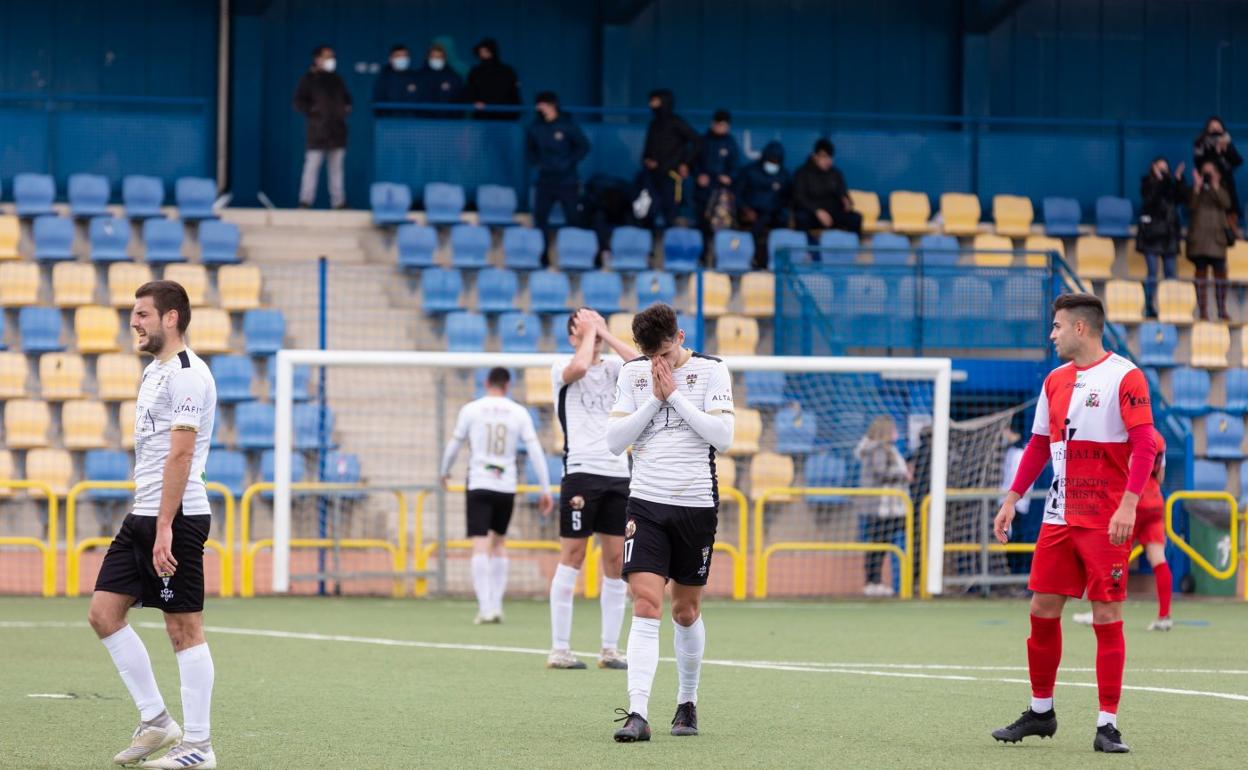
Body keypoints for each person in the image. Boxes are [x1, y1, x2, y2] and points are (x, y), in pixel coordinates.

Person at [991, 292, 1156, 754]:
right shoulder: (1054, 380)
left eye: (1057, 326)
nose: (1052, 335)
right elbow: (1040, 445)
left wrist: (1128, 505)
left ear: (1080, 328)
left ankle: (1107, 726)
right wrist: (1012, 499)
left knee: (1107, 614)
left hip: (1106, 519)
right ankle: (1040, 712)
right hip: (1059, 514)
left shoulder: (1126, 375)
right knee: (1042, 609)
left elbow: (1145, 444)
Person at [87, 280, 219, 769]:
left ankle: (200, 748)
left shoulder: (189, 375)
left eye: (142, 313)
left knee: (183, 628)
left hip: (177, 517)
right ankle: (157, 721)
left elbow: (181, 455)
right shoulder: (153, 373)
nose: (134, 322)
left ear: (171, 318)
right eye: (133, 314)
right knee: (103, 613)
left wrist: (165, 525)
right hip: (144, 513)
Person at [606, 303, 735, 742]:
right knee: (645, 603)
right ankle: (638, 713)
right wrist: (654, 400)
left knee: (685, 610)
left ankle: (687, 701)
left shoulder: (712, 372)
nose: (656, 364)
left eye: (663, 353)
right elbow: (613, 441)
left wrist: (675, 396)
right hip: (645, 503)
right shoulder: (633, 375)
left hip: (696, 505)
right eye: (649, 356)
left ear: (679, 338)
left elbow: (724, 438)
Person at [546, 308, 640, 670]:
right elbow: (580, 368)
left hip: (618, 473)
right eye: (585, 332)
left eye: (598, 331)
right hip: (581, 473)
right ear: (572, 337)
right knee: (573, 557)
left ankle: (609, 649)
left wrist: (606, 333)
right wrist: (588, 336)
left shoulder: (615, 368)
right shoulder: (560, 369)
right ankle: (560, 649)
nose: (595, 337)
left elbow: (639, 363)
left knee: (616, 562)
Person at [439, 368, 553, 624]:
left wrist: (443, 471)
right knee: (499, 542)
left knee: (480, 543)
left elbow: (454, 444)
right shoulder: (518, 412)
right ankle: (497, 605)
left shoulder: (471, 409)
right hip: (506, 485)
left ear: (486, 382)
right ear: (508, 385)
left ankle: (485, 607)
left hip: (479, 482)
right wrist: (545, 487)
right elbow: (535, 450)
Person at [1074, 427, 1172, 631]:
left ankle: (1101, 610)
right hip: (1155, 501)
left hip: (1132, 502)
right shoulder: (1160, 439)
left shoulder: (1131, 435)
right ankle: (1164, 616)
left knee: (1114, 559)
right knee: (1159, 559)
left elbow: (1128, 469)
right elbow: (1160, 476)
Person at [855, 415, 912, 597]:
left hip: (885, 506)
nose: (896, 432)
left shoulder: (886, 450)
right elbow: (881, 473)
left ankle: (875, 582)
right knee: (877, 544)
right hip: (880, 506)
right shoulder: (878, 450)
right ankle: (873, 582)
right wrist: (903, 476)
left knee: (880, 543)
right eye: (893, 429)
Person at [293, 44, 351, 209]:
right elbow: (298, 102)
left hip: (338, 130)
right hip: (318, 131)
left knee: (336, 169)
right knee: (312, 167)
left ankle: (339, 202)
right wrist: (314, 111)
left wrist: (344, 110)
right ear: (317, 59)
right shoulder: (308, 79)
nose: (331, 60)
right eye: (327, 57)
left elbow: (347, 99)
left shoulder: (337, 79)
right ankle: (305, 201)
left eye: (332, 56)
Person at [525, 91, 590, 232]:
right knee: (540, 218)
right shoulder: (535, 126)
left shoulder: (567, 124)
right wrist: (537, 163)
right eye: (538, 105)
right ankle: (543, 253)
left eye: (543, 105)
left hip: (567, 180)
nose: (540, 108)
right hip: (545, 179)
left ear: (552, 105)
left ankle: (574, 251)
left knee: (573, 217)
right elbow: (530, 149)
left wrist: (568, 162)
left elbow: (583, 146)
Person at [638, 89, 700, 229]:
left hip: (671, 176)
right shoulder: (653, 124)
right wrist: (647, 160)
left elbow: (697, 141)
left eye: (655, 101)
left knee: (670, 213)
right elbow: (647, 150)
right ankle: (650, 248)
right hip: (652, 176)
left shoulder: (676, 122)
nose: (651, 104)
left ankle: (670, 246)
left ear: (664, 102)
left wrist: (686, 163)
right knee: (647, 211)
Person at [1136, 157, 1185, 318]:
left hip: (1169, 235)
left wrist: (1178, 180)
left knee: (1171, 273)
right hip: (1152, 234)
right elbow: (1150, 201)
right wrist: (1158, 181)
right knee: (1152, 273)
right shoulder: (1147, 183)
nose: (1164, 171)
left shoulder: (1170, 184)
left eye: (1166, 168)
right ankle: (1150, 305)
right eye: (1160, 167)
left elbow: (1181, 199)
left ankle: (1170, 306)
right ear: (1153, 167)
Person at [1187, 160, 1233, 321]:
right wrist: (1197, 186)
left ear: (1217, 173)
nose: (1206, 175)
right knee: (1201, 277)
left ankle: (1222, 309)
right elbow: (1190, 206)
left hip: (1217, 239)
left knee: (1220, 275)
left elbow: (1226, 203)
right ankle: (1203, 311)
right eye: (1204, 172)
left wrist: (1215, 184)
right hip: (1199, 240)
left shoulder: (1220, 188)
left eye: (1210, 172)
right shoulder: (1197, 190)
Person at [736, 140, 791, 269]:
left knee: (781, 223)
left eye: (776, 161)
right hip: (752, 213)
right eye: (771, 160)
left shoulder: (784, 175)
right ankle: (754, 260)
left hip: (774, 214)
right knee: (757, 228)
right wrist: (745, 209)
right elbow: (737, 194)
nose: (773, 164)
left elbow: (787, 198)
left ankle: (777, 261)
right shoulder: (750, 171)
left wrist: (781, 210)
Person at [792, 138, 862, 237]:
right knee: (801, 217)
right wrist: (817, 211)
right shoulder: (802, 173)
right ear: (815, 156)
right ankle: (806, 250)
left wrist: (847, 201)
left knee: (856, 218)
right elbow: (799, 197)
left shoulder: (835, 173)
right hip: (812, 214)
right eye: (824, 157)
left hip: (832, 213)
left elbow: (843, 192)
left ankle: (852, 248)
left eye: (830, 157)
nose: (828, 161)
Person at [693, 110, 740, 231]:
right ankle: (703, 248)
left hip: (722, 190)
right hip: (704, 189)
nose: (720, 128)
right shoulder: (703, 140)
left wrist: (729, 177)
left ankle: (719, 247)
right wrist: (699, 175)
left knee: (722, 222)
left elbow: (735, 165)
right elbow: (693, 161)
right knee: (703, 219)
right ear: (712, 124)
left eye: (723, 125)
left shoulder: (730, 143)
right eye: (718, 124)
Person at [1193, 116, 1243, 232]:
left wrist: (1225, 149)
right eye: (1212, 127)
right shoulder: (1201, 144)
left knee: (1230, 220)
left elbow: (1238, 161)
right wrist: (1216, 152)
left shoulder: (1227, 143)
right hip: (1208, 187)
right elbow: (1200, 165)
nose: (1215, 130)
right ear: (1207, 129)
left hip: (1227, 186)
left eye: (1218, 127)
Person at [465, 37, 521, 121]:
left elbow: (514, 93)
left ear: (493, 52)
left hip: (506, 117)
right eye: (481, 52)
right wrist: (475, 102)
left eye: (486, 51)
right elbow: (470, 91)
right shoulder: (475, 72)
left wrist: (514, 112)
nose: (483, 55)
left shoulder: (507, 71)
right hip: (482, 118)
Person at [413, 42, 464, 118]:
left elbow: (460, 100)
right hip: (423, 122)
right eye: (433, 57)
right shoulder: (418, 77)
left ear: (445, 58)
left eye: (439, 57)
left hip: (448, 122)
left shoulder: (453, 77)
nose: (436, 59)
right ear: (427, 57)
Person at [372, 44, 419, 114]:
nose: (402, 59)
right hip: (389, 121)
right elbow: (378, 100)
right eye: (398, 56)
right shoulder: (384, 78)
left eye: (404, 56)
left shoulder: (415, 78)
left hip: (412, 121)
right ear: (391, 59)